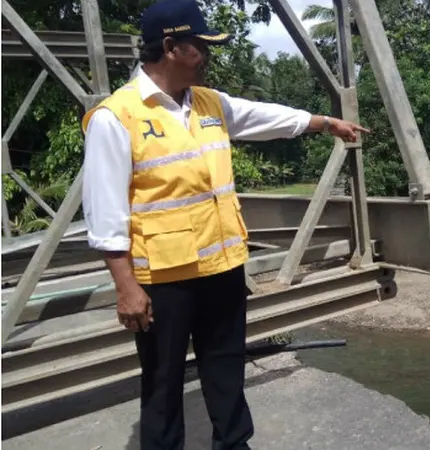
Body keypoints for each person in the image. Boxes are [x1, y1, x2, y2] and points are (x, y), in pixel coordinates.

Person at [80, 0, 368, 448]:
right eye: (200, 46)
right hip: (163, 279)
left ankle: (234, 444)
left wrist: (325, 123)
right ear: (171, 47)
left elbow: (265, 117)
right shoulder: (116, 118)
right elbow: (104, 213)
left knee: (226, 369)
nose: (208, 54)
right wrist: (126, 287)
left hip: (222, 268)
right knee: (162, 383)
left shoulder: (209, 103)